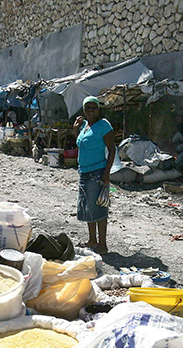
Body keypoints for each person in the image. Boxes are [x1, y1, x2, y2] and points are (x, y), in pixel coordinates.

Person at [73, 96, 115, 254]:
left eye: (93, 107)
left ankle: (102, 245)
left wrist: (106, 173)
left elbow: (112, 149)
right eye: (87, 107)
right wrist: (75, 129)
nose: (90, 110)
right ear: (83, 109)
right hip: (84, 172)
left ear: (98, 109)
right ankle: (92, 240)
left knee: (99, 208)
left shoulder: (104, 125)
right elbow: (81, 144)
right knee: (87, 207)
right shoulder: (84, 125)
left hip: (97, 172)